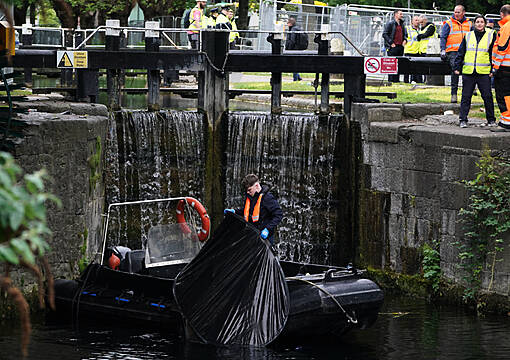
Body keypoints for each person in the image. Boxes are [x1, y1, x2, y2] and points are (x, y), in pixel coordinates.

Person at [453, 16, 496, 128]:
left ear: (485, 23)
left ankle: (491, 120)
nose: (479, 24)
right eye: (477, 22)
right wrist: (456, 67)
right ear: (474, 24)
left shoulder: (491, 35)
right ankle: (463, 119)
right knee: (466, 97)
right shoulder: (468, 35)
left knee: (487, 96)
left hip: (484, 72)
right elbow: (461, 52)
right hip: (469, 72)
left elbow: (493, 54)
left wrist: (493, 69)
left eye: (482, 22)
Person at [224, 174, 283, 245]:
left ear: (257, 186)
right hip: (253, 234)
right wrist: (235, 212)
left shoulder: (268, 198)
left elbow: (278, 215)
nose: (247, 192)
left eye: (249, 190)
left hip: (265, 238)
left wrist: (267, 229)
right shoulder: (251, 196)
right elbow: (247, 211)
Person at [440, 5, 472, 103]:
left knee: (468, 70)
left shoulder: (470, 24)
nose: (456, 14)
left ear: (463, 12)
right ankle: (454, 94)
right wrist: (443, 50)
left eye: (458, 12)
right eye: (455, 12)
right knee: (455, 70)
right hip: (453, 51)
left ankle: (468, 93)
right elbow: (443, 37)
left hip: (467, 51)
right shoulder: (448, 23)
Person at [491, 4, 510, 132]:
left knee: (504, 95)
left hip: (504, 67)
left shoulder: (506, 26)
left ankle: (506, 123)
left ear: (502, 14)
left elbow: (502, 48)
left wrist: (495, 68)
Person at [382, 10, 407, 83]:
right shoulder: (390, 23)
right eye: (400, 14)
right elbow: (385, 34)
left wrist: (405, 40)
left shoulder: (402, 24)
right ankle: (391, 80)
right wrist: (391, 43)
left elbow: (405, 34)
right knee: (391, 64)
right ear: (395, 15)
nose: (402, 15)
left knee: (399, 64)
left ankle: (397, 80)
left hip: (400, 46)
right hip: (393, 47)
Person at [404, 16, 422, 84]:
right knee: (407, 68)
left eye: (418, 20)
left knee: (416, 68)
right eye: (416, 20)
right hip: (409, 50)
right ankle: (406, 81)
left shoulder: (420, 30)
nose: (417, 22)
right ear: (412, 21)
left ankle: (414, 80)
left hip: (417, 51)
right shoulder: (407, 28)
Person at [285, 17, 304, 81]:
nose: (287, 24)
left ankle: (295, 78)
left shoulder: (293, 29)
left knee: (293, 64)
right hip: (299, 48)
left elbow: (292, 40)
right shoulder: (298, 28)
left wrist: (288, 49)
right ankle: (298, 77)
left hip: (293, 49)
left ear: (290, 23)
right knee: (295, 63)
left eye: (288, 23)